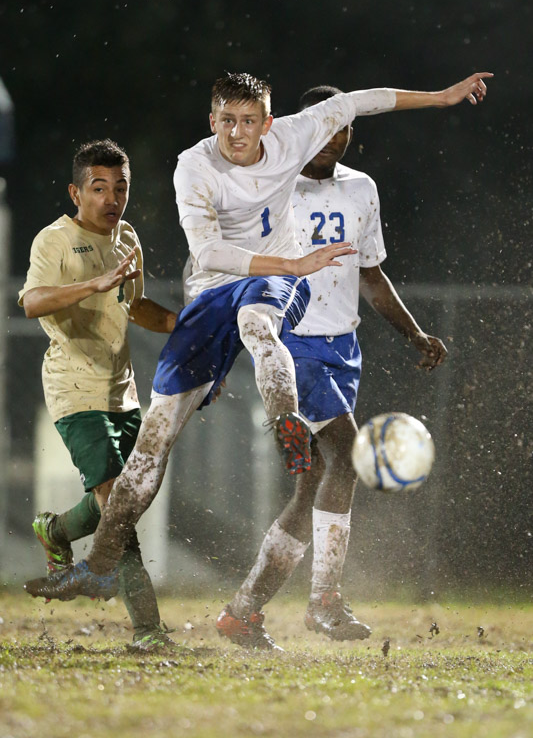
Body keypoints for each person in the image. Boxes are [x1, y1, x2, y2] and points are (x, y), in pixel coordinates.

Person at [24, 69, 492, 604]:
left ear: (269, 123)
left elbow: (363, 100)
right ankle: (101, 564)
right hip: (215, 289)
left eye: (249, 121)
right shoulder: (194, 167)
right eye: (227, 121)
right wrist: (291, 263)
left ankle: (284, 419)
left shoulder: (296, 134)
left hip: (276, 281)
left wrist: (441, 96)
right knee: (154, 436)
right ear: (212, 121)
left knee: (258, 321)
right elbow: (209, 254)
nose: (237, 134)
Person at [215, 85, 449, 650]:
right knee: (346, 452)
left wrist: (412, 332)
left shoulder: (361, 190)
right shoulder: (270, 183)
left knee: (313, 484)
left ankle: (242, 612)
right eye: (321, 126)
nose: (330, 137)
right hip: (292, 343)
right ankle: (324, 601)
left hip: (344, 349)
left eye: (341, 128)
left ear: (348, 133)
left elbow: (370, 275)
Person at [21, 139, 179, 651]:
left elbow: (136, 307)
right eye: (99, 187)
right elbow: (32, 301)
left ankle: (59, 531)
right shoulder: (54, 241)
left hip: (123, 393)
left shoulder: (128, 236)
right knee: (119, 508)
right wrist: (93, 285)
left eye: (121, 188)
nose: (112, 198)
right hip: (74, 389)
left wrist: (186, 327)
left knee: (123, 502)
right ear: (76, 192)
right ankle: (149, 632)